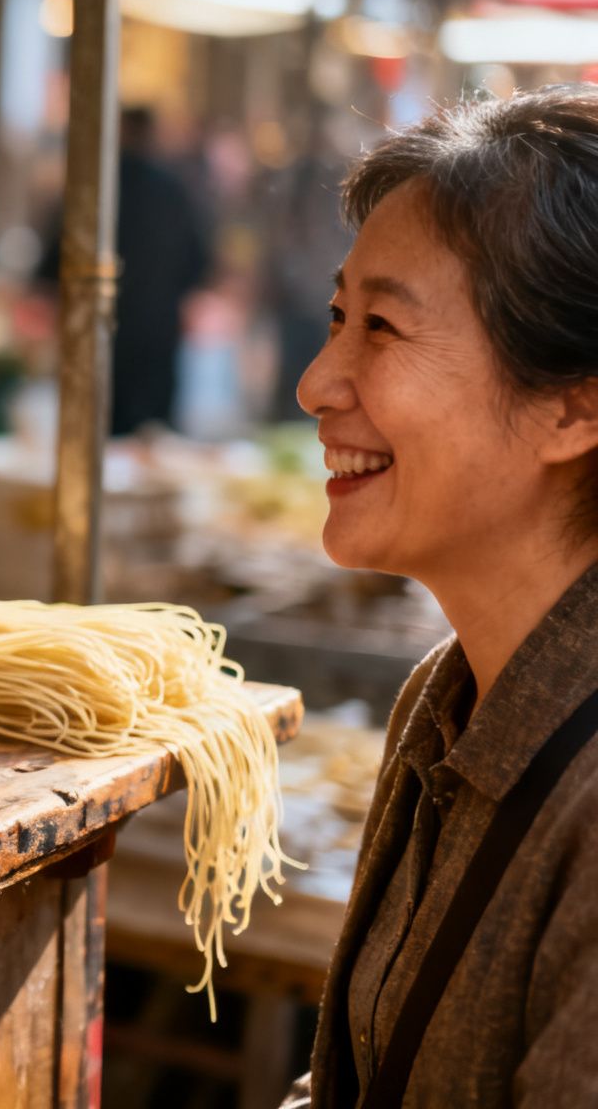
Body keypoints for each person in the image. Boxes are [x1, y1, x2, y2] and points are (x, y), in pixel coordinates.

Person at [285, 86, 598, 1105]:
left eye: (380, 326)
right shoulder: (447, 690)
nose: (316, 382)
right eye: (336, 315)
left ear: (571, 406)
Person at [37, 106, 214, 435]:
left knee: (93, 434)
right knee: (150, 442)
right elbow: (198, 264)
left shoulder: (91, 189)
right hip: (156, 336)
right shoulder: (174, 191)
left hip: (96, 332)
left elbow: (52, 261)